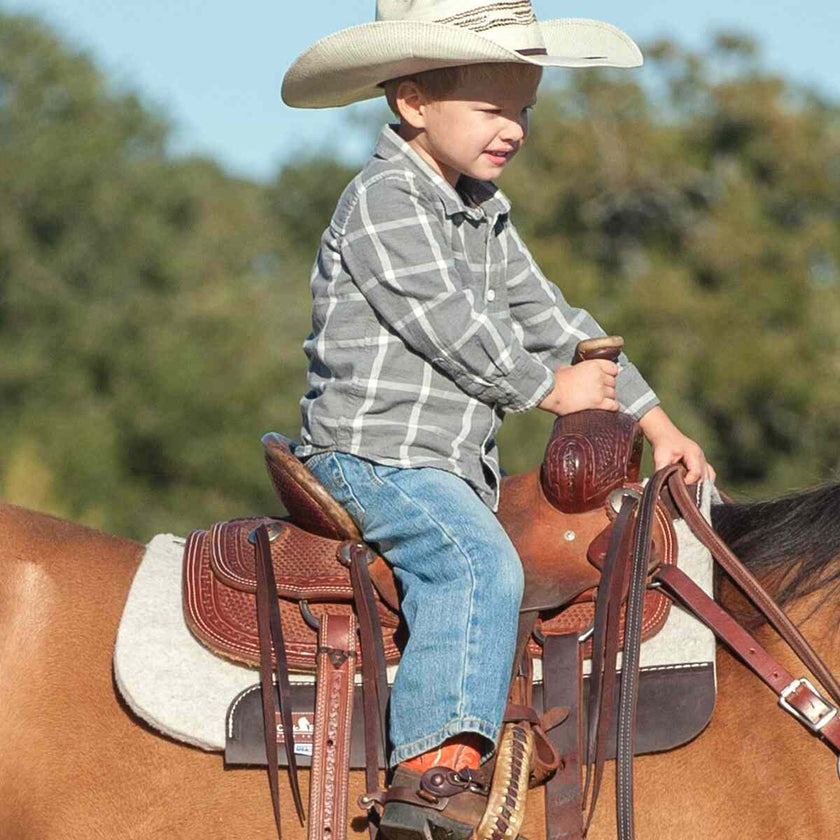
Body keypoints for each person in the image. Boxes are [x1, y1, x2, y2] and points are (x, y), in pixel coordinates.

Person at [282, 2, 714, 835]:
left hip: (443, 463)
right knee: (476, 567)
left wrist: (654, 420)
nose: (513, 128)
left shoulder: (482, 212)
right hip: (374, 455)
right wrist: (548, 390)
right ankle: (430, 780)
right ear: (412, 101)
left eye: (524, 110)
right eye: (491, 108)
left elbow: (552, 316)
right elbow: (445, 321)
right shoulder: (384, 199)